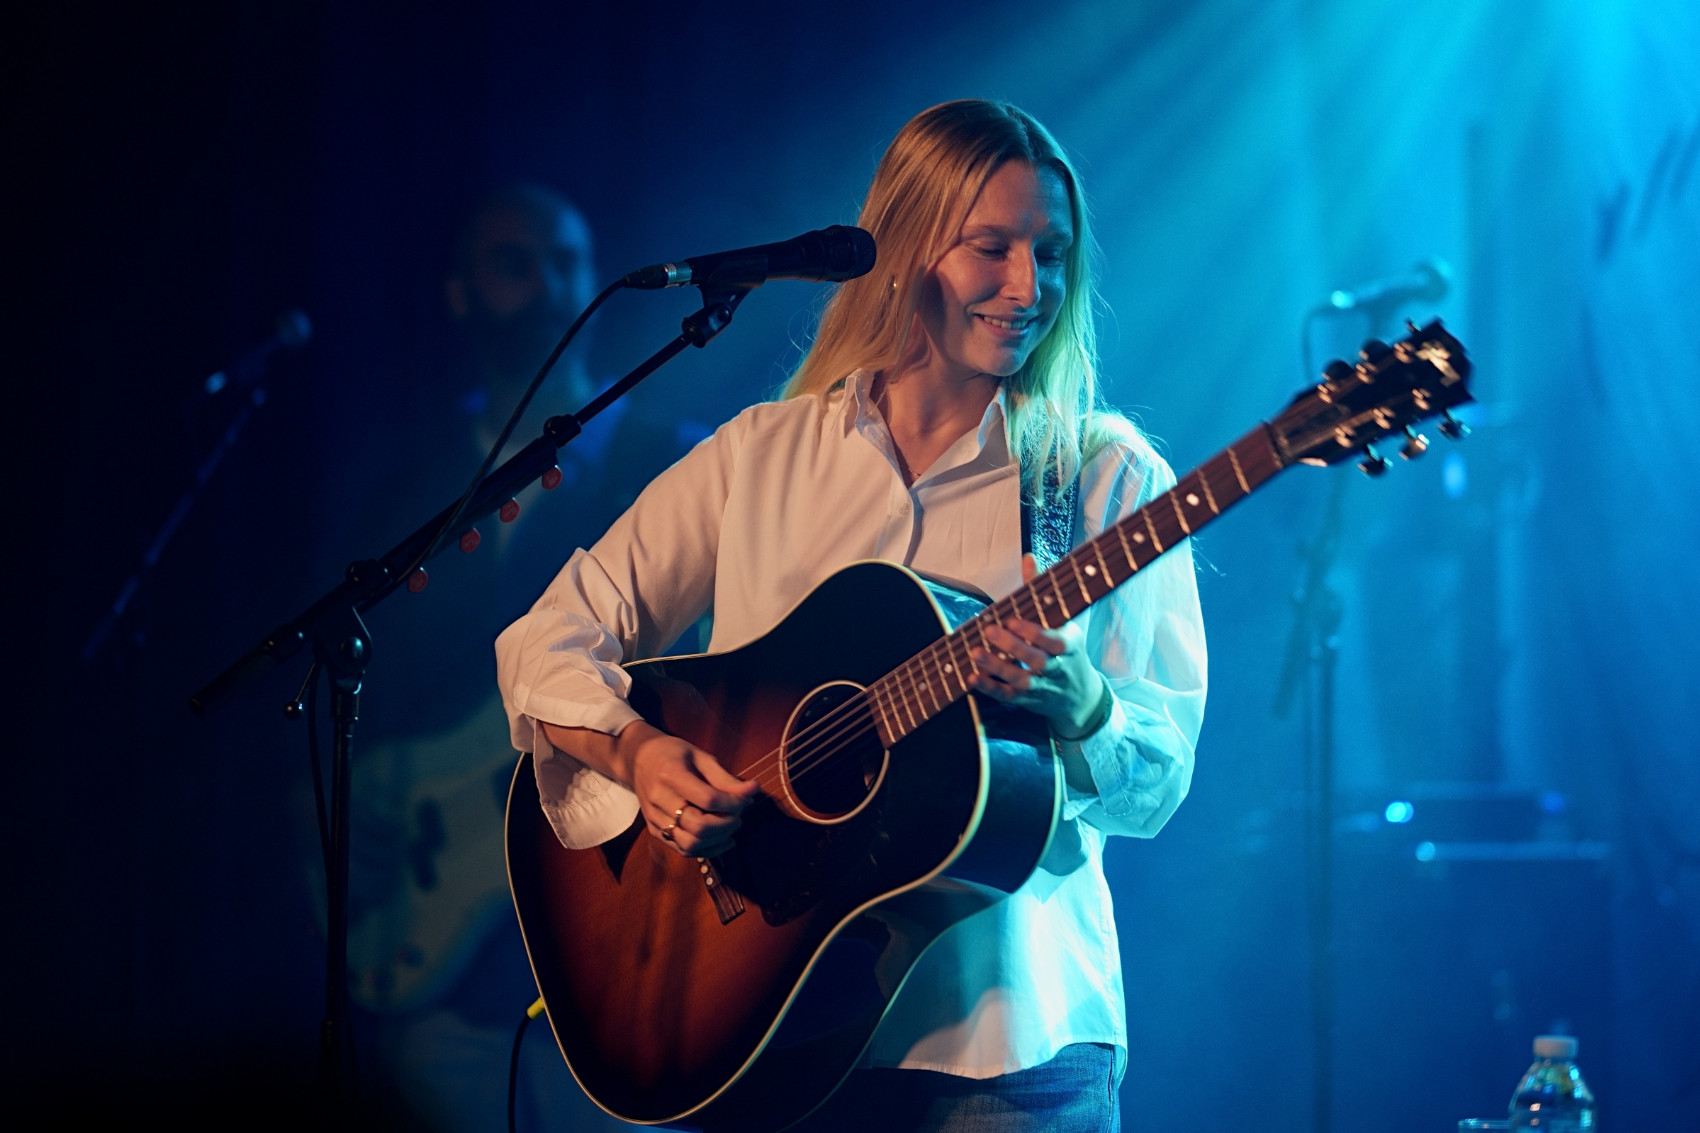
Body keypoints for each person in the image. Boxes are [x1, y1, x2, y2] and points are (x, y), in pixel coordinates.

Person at [494, 100, 1206, 1131]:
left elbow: (1159, 783)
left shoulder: (1099, 478)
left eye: (1048, 254)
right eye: (990, 248)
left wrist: (1085, 702)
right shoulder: (762, 453)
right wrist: (642, 756)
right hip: (755, 1034)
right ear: (908, 247)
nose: (1026, 287)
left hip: (1005, 1049)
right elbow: (544, 638)